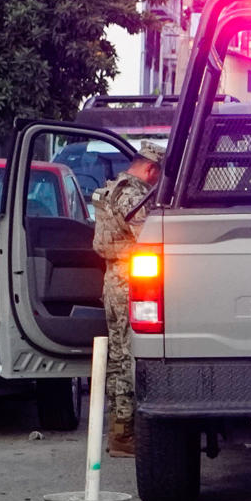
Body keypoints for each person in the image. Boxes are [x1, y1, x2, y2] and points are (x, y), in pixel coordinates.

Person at [90, 141, 164, 456]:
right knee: (126, 358)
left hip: (115, 279)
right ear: (151, 169)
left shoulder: (113, 188)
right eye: (158, 176)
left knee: (121, 355)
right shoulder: (133, 195)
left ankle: (122, 431)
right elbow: (149, 238)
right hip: (128, 282)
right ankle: (123, 434)